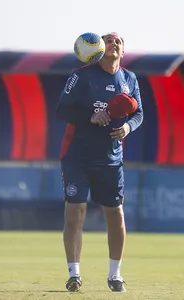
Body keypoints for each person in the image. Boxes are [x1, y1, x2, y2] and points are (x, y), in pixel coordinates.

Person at [56, 32, 144, 293]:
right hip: (77, 156)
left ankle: (115, 275)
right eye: (109, 39)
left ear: (123, 51)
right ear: (98, 47)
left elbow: (138, 112)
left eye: (119, 41)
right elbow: (62, 109)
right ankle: (74, 274)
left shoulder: (129, 79)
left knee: (115, 215)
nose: (114, 43)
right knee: (75, 213)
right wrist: (90, 116)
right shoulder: (81, 75)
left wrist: (127, 128)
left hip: (111, 158)